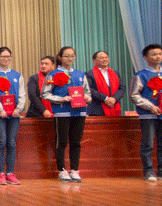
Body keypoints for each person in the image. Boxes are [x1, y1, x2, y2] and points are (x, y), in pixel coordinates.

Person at [130, 44, 162, 181]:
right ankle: (148, 171)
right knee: (148, 144)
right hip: (148, 115)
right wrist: (150, 107)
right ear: (146, 58)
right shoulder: (140, 75)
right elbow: (134, 95)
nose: (158, 56)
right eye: (154, 54)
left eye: (160, 54)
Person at [42, 46, 91, 183]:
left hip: (79, 112)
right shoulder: (53, 74)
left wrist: (87, 98)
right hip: (62, 112)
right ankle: (62, 170)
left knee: (76, 142)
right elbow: (45, 93)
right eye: (66, 56)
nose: (70, 58)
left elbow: (87, 92)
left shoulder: (80, 74)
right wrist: (61, 99)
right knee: (62, 142)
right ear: (60, 57)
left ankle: (74, 170)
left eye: (72, 56)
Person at [0, 48, 26, 185]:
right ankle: (1, 174)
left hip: (14, 114)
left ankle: (10, 173)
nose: (6, 59)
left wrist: (18, 109)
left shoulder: (17, 75)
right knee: (1, 141)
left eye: (8, 56)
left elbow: (22, 94)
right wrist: (0, 110)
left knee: (12, 143)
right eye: (3, 56)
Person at [86, 51, 126, 117]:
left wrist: (114, 98)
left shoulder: (115, 73)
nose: (104, 59)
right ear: (94, 60)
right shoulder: (89, 74)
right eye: (101, 58)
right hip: (97, 110)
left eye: (106, 57)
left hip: (114, 106)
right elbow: (89, 89)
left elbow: (122, 88)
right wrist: (105, 99)